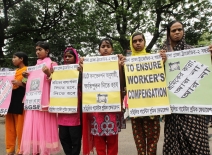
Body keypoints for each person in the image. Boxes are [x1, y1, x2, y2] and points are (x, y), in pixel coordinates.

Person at [162, 20, 211, 155]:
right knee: (174, 145)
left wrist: (210, 57)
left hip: (194, 110)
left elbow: (205, 74)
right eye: (173, 30)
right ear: (169, 33)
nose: (177, 32)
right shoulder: (163, 54)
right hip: (174, 111)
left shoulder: (195, 52)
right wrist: (161, 63)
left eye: (180, 29)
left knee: (197, 145)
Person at [81, 38, 125, 155]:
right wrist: (82, 69)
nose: (105, 48)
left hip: (112, 107)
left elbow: (122, 83)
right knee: (99, 139)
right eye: (103, 46)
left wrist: (120, 67)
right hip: (96, 109)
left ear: (112, 49)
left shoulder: (117, 62)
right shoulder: (91, 64)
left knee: (112, 140)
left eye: (108, 46)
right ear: (99, 49)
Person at [20, 41, 61, 155]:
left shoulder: (52, 64)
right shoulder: (33, 67)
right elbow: (26, 84)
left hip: (45, 102)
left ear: (47, 51)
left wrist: (48, 74)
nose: (37, 52)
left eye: (40, 49)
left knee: (44, 128)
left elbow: (58, 83)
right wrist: (24, 78)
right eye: (36, 50)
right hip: (33, 101)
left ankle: (44, 152)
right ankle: (36, 152)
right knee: (34, 129)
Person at [128, 32, 164, 155]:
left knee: (153, 141)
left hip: (152, 107)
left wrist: (162, 62)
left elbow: (160, 78)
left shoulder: (154, 59)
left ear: (144, 42)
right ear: (131, 43)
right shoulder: (127, 62)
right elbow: (123, 82)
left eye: (140, 40)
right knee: (140, 142)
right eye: (135, 41)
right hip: (136, 107)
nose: (138, 43)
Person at [58, 47, 82, 155]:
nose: (67, 58)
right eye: (66, 56)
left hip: (75, 109)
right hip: (63, 109)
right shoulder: (60, 71)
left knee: (75, 137)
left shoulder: (79, 70)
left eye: (70, 56)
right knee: (63, 137)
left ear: (75, 57)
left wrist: (81, 72)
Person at [5, 52, 28, 155]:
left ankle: (20, 149)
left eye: (15, 57)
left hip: (20, 102)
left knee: (20, 127)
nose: (12, 59)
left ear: (21, 59)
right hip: (10, 101)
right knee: (9, 127)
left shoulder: (27, 70)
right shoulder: (12, 72)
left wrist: (21, 83)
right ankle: (10, 149)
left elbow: (29, 84)